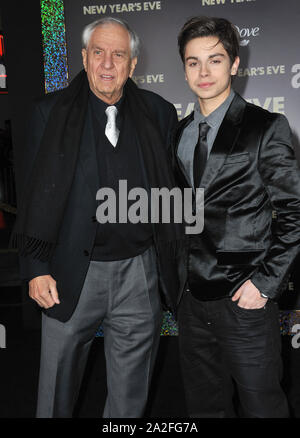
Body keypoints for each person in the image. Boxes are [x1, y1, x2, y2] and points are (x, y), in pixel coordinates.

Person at [12, 17, 184, 418]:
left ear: (133, 64)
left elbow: (171, 193)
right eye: (99, 53)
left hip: (139, 273)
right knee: (56, 394)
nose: (108, 63)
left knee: (130, 399)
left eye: (118, 54)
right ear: (85, 57)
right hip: (69, 274)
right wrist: (35, 267)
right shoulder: (48, 112)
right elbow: (33, 194)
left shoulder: (159, 113)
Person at [172, 16, 300, 417]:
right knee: (204, 407)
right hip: (190, 303)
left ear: (234, 64)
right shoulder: (176, 133)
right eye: (193, 62)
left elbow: (295, 214)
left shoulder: (266, 127)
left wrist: (263, 285)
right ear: (184, 68)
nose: (203, 72)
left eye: (214, 60)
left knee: (263, 407)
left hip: (244, 300)